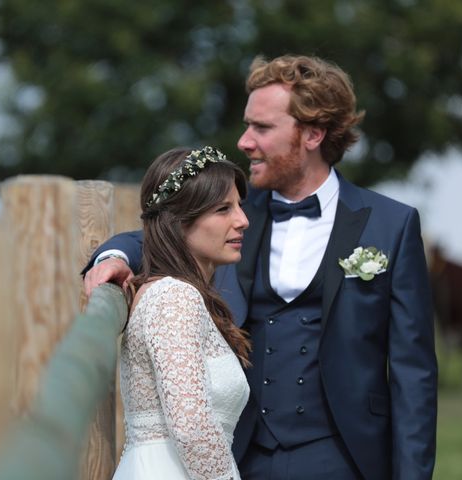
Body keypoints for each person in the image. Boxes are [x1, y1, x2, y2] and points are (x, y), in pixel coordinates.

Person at [85, 55, 437, 480]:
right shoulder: (232, 219)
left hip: (346, 457)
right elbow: (161, 230)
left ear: (313, 133)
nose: (244, 142)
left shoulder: (391, 225)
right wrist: (114, 258)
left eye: (262, 128)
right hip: (239, 454)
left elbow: (413, 374)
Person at [111, 146, 251, 479]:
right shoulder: (174, 297)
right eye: (222, 209)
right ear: (179, 221)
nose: (243, 220)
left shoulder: (174, 293)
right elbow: (191, 427)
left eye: (239, 207)